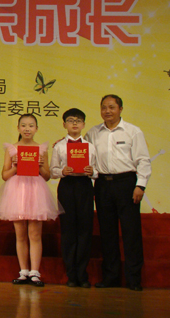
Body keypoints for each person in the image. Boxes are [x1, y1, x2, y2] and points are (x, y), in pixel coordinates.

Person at [85, 95, 151, 291]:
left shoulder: (132, 131)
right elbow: (81, 151)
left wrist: (140, 185)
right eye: (104, 107)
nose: (107, 111)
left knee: (131, 233)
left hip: (127, 184)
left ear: (120, 109)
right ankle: (111, 277)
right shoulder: (93, 133)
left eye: (112, 107)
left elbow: (143, 160)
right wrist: (64, 143)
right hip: (102, 184)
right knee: (107, 233)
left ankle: (133, 279)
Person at [0, 114, 59, 287]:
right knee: (21, 234)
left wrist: (39, 166)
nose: (27, 129)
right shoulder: (12, 149)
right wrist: (16, 166)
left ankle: (35, 273)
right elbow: (5, 175)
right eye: (23, 125)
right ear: (18, 128)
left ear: (36, 128)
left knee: (35, 234)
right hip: (17, 192)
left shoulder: (41, 149)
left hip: (36, 192)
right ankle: (23, 271)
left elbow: (46, 176)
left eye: (31, 125)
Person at [50, 108, 97, 288]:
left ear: (83, 124)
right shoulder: (59, 146)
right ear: (64, 124)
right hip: (67, 187)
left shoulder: (90, 146)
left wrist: (92, 172)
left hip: (85, 186)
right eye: (70, 120)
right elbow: (53, 171)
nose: (75, 123)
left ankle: (82, 275)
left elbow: (98, 170)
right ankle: (71, 274)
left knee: (85, 229)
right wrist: (62, 171)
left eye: (78, 120)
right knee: (68, 229)